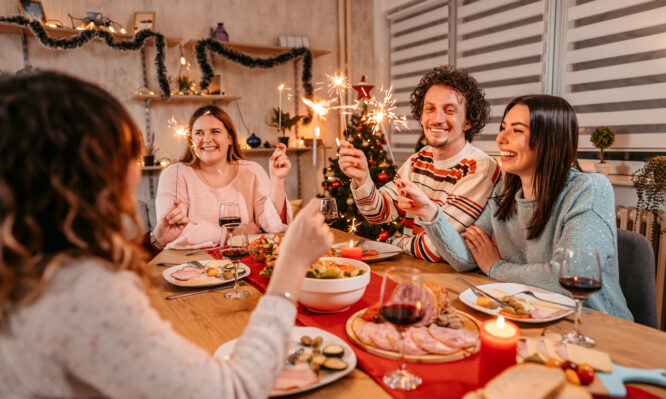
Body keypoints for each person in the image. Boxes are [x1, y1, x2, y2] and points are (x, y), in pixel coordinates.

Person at [0, 71, 334, 398]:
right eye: (125, 154)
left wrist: (155, 240)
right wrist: (290, 266)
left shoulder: (27, 267)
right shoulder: (82, 294)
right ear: (85, 175)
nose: (134, 169)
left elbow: (266, 221)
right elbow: (235, 389)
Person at [398, 94, 632, 320]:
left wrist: (495, 266)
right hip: (530, 317)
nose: (501, 139)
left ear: (549, 138)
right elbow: (467, 258)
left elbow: (569, 278)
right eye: (503, 128)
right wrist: (431, 214)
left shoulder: (588, 188)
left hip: (595, 327)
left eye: (517, 130)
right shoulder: (504, 192)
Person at [338, 65, 501, 262]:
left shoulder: (480, 168)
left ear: (468, 121)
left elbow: (438, 249)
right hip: (417, 269)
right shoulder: (419, 159)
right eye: (429, 109)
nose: (437, 119)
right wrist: (362, 178)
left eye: (450, 110)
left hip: (452, 279)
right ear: (421, 116)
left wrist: (394, 243)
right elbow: (379, 213)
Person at [154, 105, 293, 249]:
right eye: (198, 133)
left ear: (230, 138)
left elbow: (274, 227)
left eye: (215, 131)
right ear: (191, 141)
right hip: (190, 265)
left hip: (243, 261)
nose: (206, 139)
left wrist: (277, 180)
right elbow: (174, 233)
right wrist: (233, 233)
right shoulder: (175, 174)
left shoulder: (252, 171)